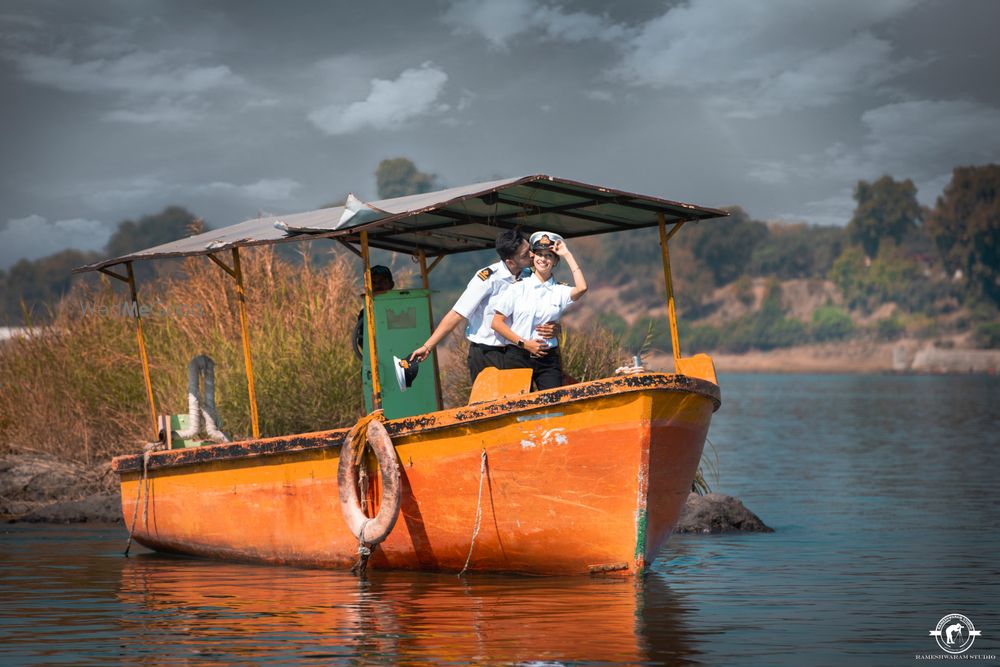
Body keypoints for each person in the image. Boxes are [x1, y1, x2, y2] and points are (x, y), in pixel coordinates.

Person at [409, 228, 559, 381]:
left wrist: (554, 328)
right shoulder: (488, 278)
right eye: (525, 254)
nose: (533, 255)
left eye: (530, 249)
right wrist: (427, 346)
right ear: (510, 261)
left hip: (519, 353)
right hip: (488, 354)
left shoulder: (530, 276)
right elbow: (457, 313)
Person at [490, 232, 587, 390]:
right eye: (539, 254)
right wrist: (524, 344)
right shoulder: (517, 287)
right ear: (533, 257)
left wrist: (567, 254)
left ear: (555, 261)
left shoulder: (560, 290)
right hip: (518, 355)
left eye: (549, 255)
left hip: (547, 357)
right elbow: (496, 323)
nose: (543, 259)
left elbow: (582, 288)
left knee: (554, 405)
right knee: (518, 408)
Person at [352, 265, 394, 359]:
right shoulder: (365, 313)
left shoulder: (405, 309)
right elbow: (361, 341)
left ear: (391, 285)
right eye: (373, 282)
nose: (378, 285)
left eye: (382, 281)